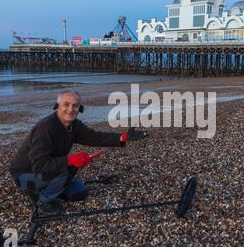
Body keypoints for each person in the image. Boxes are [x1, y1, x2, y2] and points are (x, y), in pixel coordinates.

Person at [9, 90, 147, 216]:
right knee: (68, 169)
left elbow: (94, 137)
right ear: (57, 106)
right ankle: (42, 202)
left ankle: (47, 188)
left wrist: (122, 137)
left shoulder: (74, 125)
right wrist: (70, 161)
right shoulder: (45, 129)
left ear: (79, 109)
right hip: (25, 174)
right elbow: (39, 165)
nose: (70, 109)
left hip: (47, 170)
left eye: (75, 106)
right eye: (66, 104)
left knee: (79, 192)